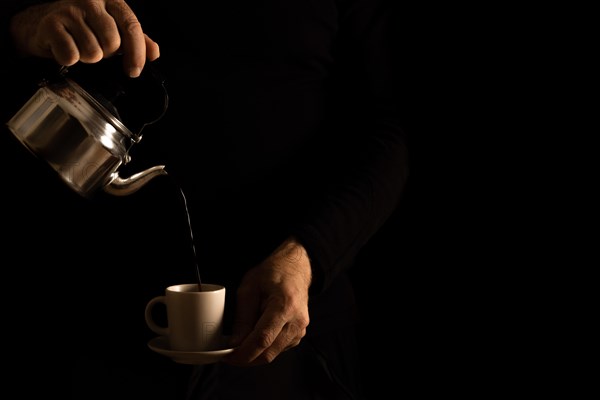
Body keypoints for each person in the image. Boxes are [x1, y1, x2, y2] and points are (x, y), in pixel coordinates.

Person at [1, 0, 408, 399]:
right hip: (83, 320)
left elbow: (392, 128)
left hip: (286, 328)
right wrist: (23, 25)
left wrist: (309, 254)